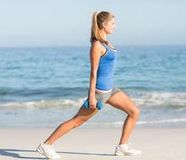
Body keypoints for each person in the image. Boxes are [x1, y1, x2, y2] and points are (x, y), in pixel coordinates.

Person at [36, 11, 141, 159]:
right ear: (104, 25)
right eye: (113, 23)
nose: (115, 26)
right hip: (100, 92)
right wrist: (91, 97)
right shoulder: (97, 45)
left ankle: (123, 146)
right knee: (77, 121)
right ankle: (46, 145)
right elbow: (93, 73)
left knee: (134, 112)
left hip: (111, 89)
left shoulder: (107, 42)